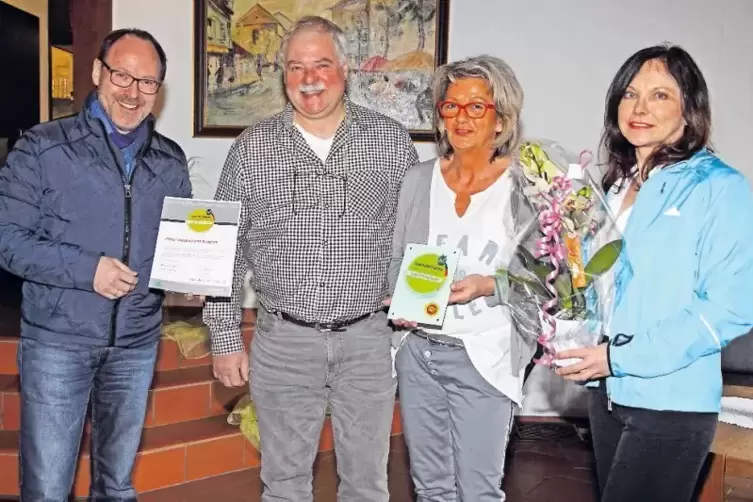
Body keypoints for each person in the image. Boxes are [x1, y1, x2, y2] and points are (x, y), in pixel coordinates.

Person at [203, 16, 418, 502]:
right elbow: (226, 252)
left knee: (367, 485)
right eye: (295, 67)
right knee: (283, 486)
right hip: (283, 345)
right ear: (283, 75)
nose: (309, 78)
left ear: (345, 69)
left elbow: (411, 243)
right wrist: (224, 338)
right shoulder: (251, 149)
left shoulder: (390, 143)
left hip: (367, 344)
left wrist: (412, 321)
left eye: (321, 64)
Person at [555, 44, 753, 502]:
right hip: (606, 393)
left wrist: (619, 357)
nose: (640, 107)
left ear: (690, 109)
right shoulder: (609, 187)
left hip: (671, 399)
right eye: (630, 94)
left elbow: (730, 307)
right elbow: (593, 285)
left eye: (660, 95)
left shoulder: (719, 187)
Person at [0, 29, 191, 500]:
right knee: (47, 488)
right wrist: (88, 269)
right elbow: (7, 241)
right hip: (57, 344)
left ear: (158, 90)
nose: (132, 91)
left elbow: (179, 245)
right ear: (96, 72)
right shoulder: (40, 148)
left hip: (137, 344)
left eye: (147, 82)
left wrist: (191, 280)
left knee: (116, 486)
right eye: (121, 75)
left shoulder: (170, 160)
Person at [387, 55, 536, 501]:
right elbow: (397, 260)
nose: (461, 118)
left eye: (476, 107)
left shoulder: (526, 186)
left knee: (479, 490)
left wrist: (490, 285)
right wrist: (404, 306)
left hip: (484, 355)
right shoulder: (417, 179)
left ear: (501, 118)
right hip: (419, 354)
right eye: (450, 106)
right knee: (430, 488)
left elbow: (553, 278)